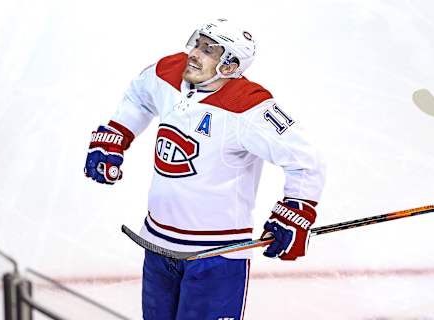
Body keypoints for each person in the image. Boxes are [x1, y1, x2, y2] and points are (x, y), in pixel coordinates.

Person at [84, 18, 326, 320]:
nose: (195, 53)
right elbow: (139, 97)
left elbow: (306, 161)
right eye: (198, 43)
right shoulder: (167, 73)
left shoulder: (249, 107)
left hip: (216, 257)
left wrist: (295, 210)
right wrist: (117, 134)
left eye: (209, 50)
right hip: (157, 244)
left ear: (229, 65)